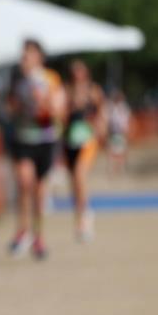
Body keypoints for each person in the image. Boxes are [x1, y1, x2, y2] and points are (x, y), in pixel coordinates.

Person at [6, 40, 64, 259]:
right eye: (22, 56)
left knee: (39, 192)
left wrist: (44, 103)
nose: (24, 60)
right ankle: (22, 230)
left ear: (39, 57)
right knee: (23, 181)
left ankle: (39, 237)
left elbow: (59, 111)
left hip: (45, 140)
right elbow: (10, 108)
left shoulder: (51, 79)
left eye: (28, 55)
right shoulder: (17, 80)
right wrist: (18, 106)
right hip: (23, 139)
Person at [61, 59, 106, 242]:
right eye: (74, 72)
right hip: (69, 140)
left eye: (81, 71)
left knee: (80, 175)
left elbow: (101, 112)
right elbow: (61, 115)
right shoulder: (66, 91)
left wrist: (100, 128)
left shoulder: (93, 91)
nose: (77, 75)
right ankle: (79, 218)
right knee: (73, 182)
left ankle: (86, 215)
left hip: (87, 139)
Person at [105, 89, 132, 175]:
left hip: (121, 132)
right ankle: (112, 168)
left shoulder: (124, 107)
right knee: (111, 151)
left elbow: (127, 120)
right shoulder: (111, 107)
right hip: (113, 132)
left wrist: (127, 130)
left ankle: (121, 168)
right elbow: (108, 119)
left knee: (121, 151)